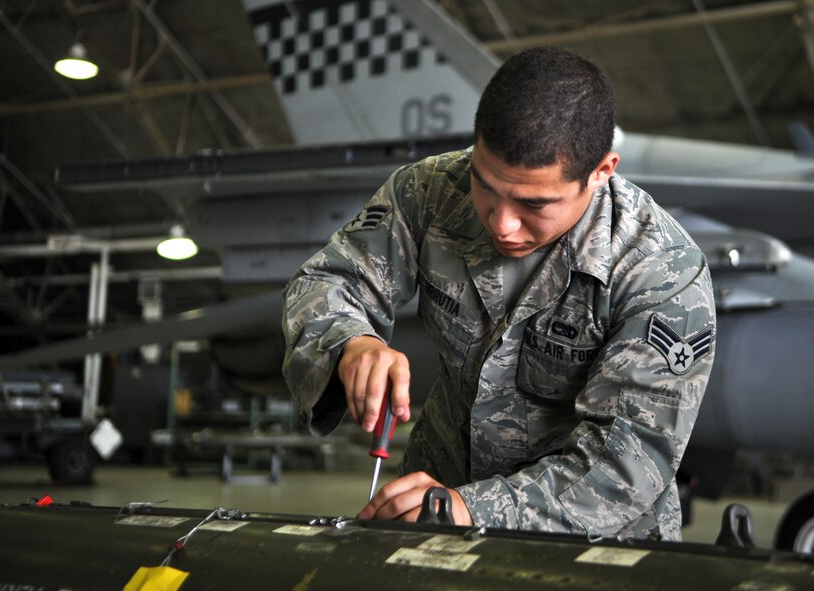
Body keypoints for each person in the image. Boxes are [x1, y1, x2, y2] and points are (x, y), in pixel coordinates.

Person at [281, 46, 715, 541]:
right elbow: (329, 281)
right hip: (436, 508)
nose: (503, 224)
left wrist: (473, 507)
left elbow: (627, 463)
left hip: (594, 546)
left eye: (535, 204)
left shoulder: (660, 269)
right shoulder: (429, 191)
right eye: (486, 186)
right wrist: (351, 342)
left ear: (602, 171)